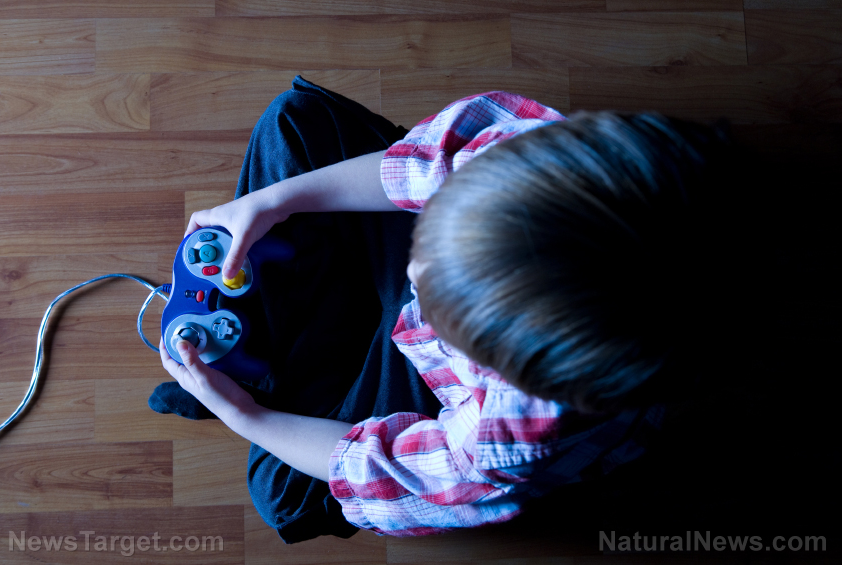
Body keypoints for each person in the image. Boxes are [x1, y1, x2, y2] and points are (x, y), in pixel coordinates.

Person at [150, 76, 749, 542]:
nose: (415, 274)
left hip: (440, 398)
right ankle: (281, 361)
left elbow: (386, 475)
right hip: (436, 314)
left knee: (282, 495)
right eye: (439, 225)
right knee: (294, 121)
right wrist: (276, 202)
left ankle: (266, 374)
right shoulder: (529, 155)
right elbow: (422, 164)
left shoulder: (507, 433)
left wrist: (245, 418)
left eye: (439, 294)